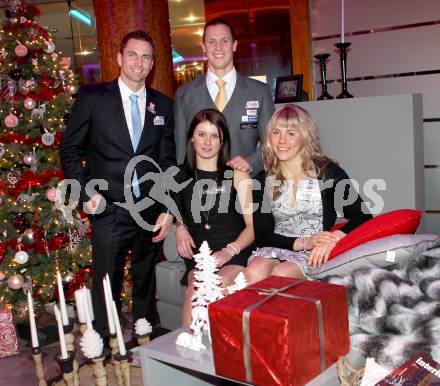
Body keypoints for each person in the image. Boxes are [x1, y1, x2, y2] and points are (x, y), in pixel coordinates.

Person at [60, 30, 175, 336]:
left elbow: (168, 161)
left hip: (149, 210)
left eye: (146, 56)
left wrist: (167, 208)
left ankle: (145, 338)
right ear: (120, 58)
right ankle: (105, 342)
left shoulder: (162, 105)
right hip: (109, 208)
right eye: (133, 55)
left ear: (153, 63)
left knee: (145, 279)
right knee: (106, 281)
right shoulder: (93, 98)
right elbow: (70, 149)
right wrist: (86, 193)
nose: (139, 62)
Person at [245, 104, 372, 283]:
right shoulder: (261, 181)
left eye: (290, 133)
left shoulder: (328, 173)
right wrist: (304, 242)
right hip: (280, 246)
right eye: (276, 132)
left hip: (315, 251)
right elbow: (263, 235)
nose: (281, 141)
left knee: (283, 273)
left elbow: (363, 216)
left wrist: (333, 239)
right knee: (254, 271)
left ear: (305, 137)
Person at [172, 108, 254, 326]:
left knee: (217, 283)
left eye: (214, 135)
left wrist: (229, 252)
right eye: (201, 134)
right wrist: (180, 227)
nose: (207, 142)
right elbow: (176, 209)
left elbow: (252, 227)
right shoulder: (179, 176)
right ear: (191, 137)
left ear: (222, 140)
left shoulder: (236, 173)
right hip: (199, 256)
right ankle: (188, 350)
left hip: (233, 252)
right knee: (197, 286)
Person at [174, 17, 275, 176]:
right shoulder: (185, 95)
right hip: (199, 191)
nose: (218, 47)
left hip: (245, 190)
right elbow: (180, 152)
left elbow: (272, 144)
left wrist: (251, 163)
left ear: (234, 45)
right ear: (203, 46)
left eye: (224, 41)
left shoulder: (259, 92)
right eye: (212, 41)